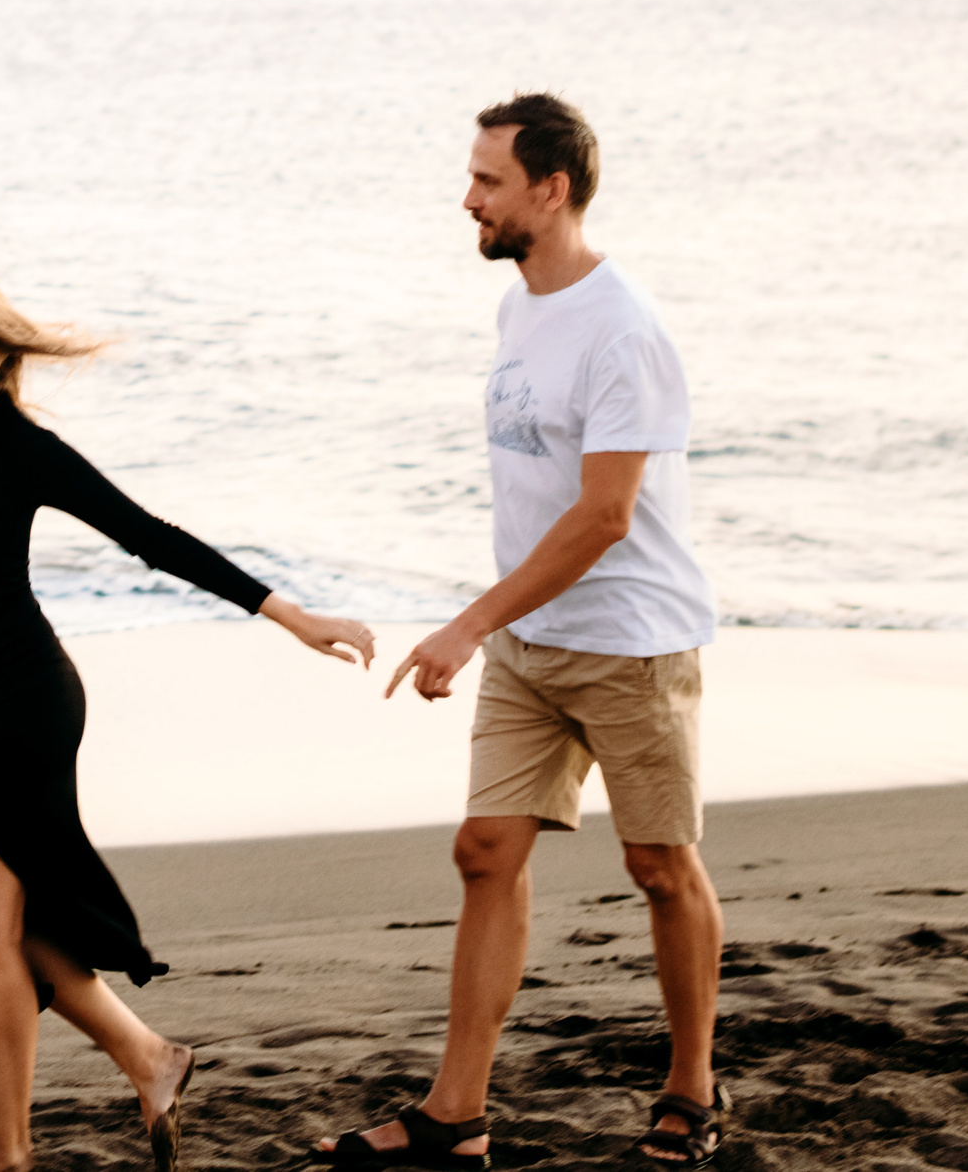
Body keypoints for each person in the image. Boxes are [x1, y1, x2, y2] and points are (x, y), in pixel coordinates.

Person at [0, 266, 378, 1172]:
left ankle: (2, 1153)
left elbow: (150, 536)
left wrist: (290, 614)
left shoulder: (23, 449)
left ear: (1, 361)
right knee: (9, 931)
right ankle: (150, 1056)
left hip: (21, 699)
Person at [316, 94, 725, 1170]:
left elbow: (606, 515)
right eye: (471, 177)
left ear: (551, 188)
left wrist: (466, 623)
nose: (468, 199)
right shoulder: (522, 309)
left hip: (632, 641)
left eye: (487, 181)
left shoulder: (624, 329)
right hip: (530, 642)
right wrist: (498, 625)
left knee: (658, 865)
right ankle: (456, 1114)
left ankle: (692, 1088)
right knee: (484, 850)